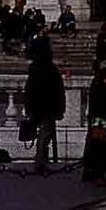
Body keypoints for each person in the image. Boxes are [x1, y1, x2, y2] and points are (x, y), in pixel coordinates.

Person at [25, 45, 67, 175]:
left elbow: (29, 91)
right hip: (47, 108)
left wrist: (28, 107)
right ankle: (40, 161)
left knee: (43, 135)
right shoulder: (51, 70)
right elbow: (58, 91)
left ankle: (41, 160)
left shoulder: (34, 70)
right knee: (45, 134)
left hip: (37, 107)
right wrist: (60, 108)